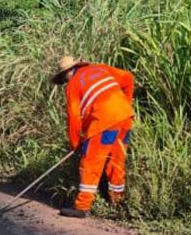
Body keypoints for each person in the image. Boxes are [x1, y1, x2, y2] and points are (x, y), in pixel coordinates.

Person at [51, 56, 135, 218]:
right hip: (125, 117)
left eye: (63, 77)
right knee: (116, 161)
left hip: (104, 122)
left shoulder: (73, 85)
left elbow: (74, 118)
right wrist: (127, 103)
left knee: (91, 162)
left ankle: (82, 206)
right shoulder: (101, 68)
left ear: (68, 72)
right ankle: (117, 203)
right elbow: (128, 78)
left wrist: (76, 144)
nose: (64, 81)